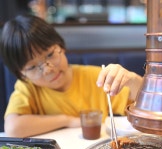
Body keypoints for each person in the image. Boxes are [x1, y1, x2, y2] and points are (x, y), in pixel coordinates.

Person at [0, 14, 143, 137]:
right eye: (32, 67)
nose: (47, 70)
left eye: (50, 55)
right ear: (21, 74)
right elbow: (13, 128)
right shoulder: (27, 87)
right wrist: (66, 120)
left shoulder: (96, 78)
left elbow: (149, 106)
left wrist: (132, 80)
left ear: (61, 46)